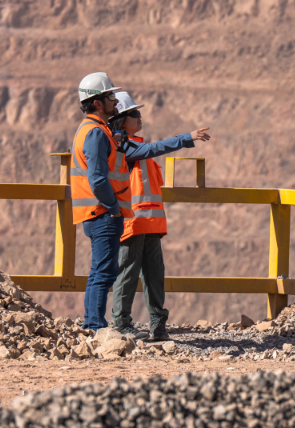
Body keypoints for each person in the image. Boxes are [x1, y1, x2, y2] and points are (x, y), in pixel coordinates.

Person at [71, 74, 203, 331]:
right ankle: (99, 326)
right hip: (110, 215)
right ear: (98, 103)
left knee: (109, 272)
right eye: (110, 96)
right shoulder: (101, 135)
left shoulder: (108, 137)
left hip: (127, 217)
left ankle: (99, 325)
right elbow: (98, 179)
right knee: (107, 273)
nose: (114, 100)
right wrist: (113, 208)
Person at [109, 91, 210, 341]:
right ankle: (121, 324)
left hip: (151, 223)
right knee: (127, 273)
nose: (140, 117)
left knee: (155, 275)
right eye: (134, 113)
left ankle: (158, 324)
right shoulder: (123, 147)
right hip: (133, 222)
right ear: (121, 120)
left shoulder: (135, 146)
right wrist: (186, 138)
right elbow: (154, 148)